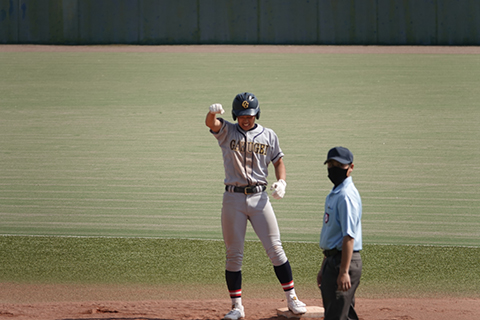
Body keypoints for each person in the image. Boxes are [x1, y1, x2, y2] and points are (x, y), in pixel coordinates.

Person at [205, 92, 307, 320]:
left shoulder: (268, 135)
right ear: (235, 115)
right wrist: (212, 112)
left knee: (275, 249)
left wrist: (282, 182)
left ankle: (292, 298)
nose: (246, 119)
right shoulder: (227, 131)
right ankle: (236, 306)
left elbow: (278, 161)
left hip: (260, 199)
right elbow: (211, 123)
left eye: (250, 115)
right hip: (233, 199)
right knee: (234, 255)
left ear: (256, 114)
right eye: (241, 115)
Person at [317, 146, 362, 320]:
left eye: (339, 165)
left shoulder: (345, 196)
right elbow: (332, 235)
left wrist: (343, 272)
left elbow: (349, 237)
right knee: (344, 313)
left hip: (343, 262)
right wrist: (325, 264)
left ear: (351, 167)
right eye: (331, 164)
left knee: (336, 316)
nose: (334, 168)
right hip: (334, 260)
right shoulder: (336, 193)